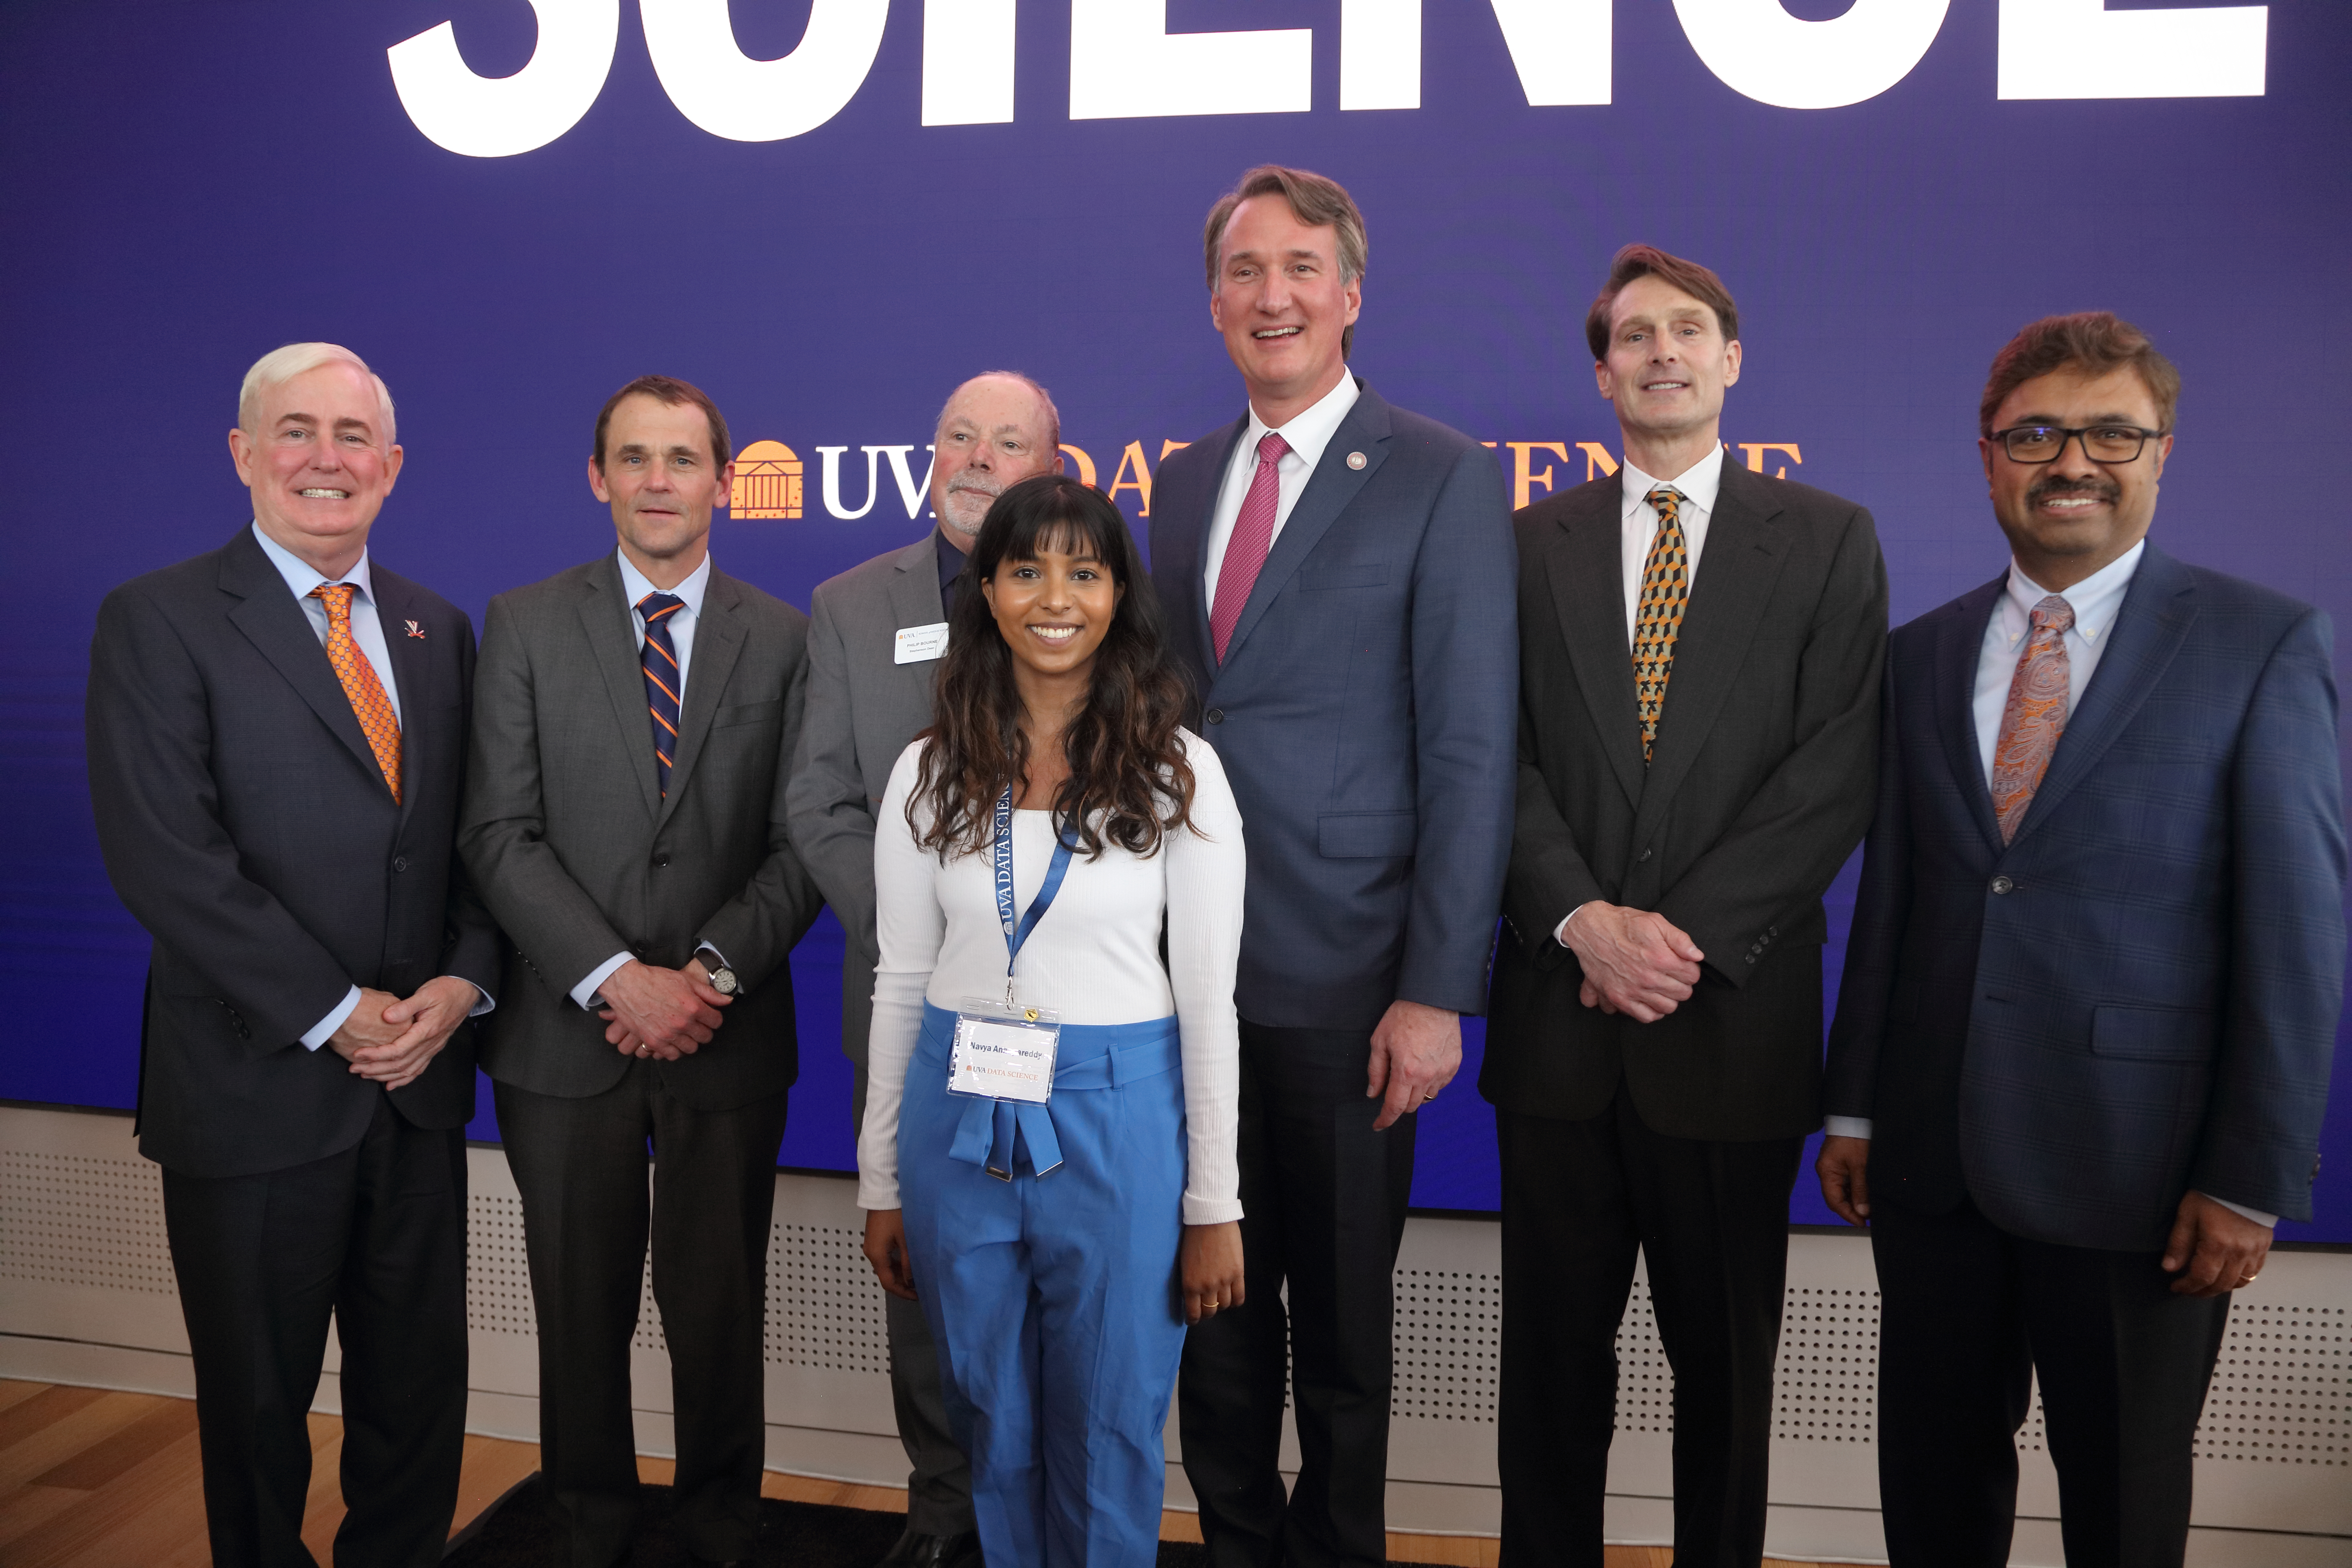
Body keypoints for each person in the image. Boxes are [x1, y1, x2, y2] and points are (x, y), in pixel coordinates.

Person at [1818, 312, 2343, 1566]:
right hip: (1933, 1159)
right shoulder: (1919, 656)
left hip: (2143, 1175)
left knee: (2122, 1499)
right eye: (2037, 433)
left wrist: (2250, 1172)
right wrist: (1855, 1112)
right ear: (1990, 457)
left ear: (2162, 453)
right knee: (1933, 1488)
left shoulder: (2259, 644)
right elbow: (1892, 896)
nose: (2072, 463)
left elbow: (2298, 933)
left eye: (2112, 433)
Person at [1481, 245, 1888, 1566]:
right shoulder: (1522, 542)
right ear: (1602, 373)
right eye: (1635, 335)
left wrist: (1676, 945)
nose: (1664, 352)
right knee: (1548, 1378)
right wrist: (1583, 921)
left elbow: (1835, 771)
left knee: (1727, 1381)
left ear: (1731, 361)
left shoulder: (1827, 538)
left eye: (1690, 330)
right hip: (1559, 1033)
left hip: (1732, 1036)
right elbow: (1490, 757)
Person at [1148, 165, 1518, 1568]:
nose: (1272, 295)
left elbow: (1474, 749)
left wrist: (1436, 991)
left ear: (1350, 295)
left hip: (1356, 982)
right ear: (1216, 302)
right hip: (1186, 976)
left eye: (1300, 268)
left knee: (1347, 1335)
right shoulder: (1182, 484)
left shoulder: (1438, 474)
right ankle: (1238, 1543)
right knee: (1214, 1311)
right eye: (1244, 271)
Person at [85, 342, 497, 1568]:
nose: (328, 459)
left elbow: (477, 841)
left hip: (417, 1086)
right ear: (243, 455)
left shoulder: (437, 626)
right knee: (258, 1413)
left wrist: (461, 985)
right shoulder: (157, 620)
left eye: (354, 436)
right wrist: (335, 1009)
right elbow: (168, 860)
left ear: (394, 465)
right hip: (254, 1084)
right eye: (298, 431)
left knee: (418, 1400)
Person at [460, 375, 822, 1568]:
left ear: (725, 480)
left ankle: (722, 1526)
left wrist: (707, 973)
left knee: (720, 1312)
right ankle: (587, 1528)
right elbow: (497, 835)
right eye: (634, 457)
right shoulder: (520, 623)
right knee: (579, 1308)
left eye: (682, 459)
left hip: (729, 1031)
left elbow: (804, 837)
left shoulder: (786, 636)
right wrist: (617, 977)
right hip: (567, 1039)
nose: (658, 480)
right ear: (597, 477)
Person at [857, 473, 1247, 1567]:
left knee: (1110, 1420)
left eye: (1084, 571)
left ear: (1119, 593)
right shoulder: (926, 774)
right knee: (991, 1412)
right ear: (986, 591)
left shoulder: (1181, 774)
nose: (1055, 597)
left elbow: (1209, 999)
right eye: (1026, 570)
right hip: (957, 1115)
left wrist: (1214, 1200)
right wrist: (883, 1177)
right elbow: (899, 979)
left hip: (1119, 1121)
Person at [786, 371, 1063, 1568]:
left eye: (1008, 442)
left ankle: (1057, 1505)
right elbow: (818, 797)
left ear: (1051, 468)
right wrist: (921, 929)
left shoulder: (1099, 595)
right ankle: (946, 1508)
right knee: (926, 1270)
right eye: (959, 435)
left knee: (1063, 1269)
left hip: (1073, 1015)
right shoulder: (852, 605)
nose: (977, 458)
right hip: (908, 1006)